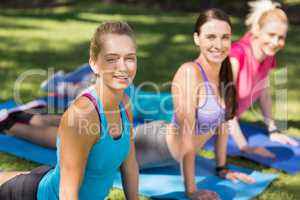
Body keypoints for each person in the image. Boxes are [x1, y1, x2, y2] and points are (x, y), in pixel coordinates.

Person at [0, 21, 139, 200]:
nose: (123, 67)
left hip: (51, 178)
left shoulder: (124, 105)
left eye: (129, 58)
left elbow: (130, 165)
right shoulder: (83, 115)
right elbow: (67, 195)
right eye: (112, 59)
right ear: (94, 63)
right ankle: (10, 123)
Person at [135, 8, 255, 200]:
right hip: (149, 145)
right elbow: (186, 137)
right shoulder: (190, 72)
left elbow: (222, 127)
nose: (218, 44)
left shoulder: (225, 75)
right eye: (211, 37)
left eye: (225, 37)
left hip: (166, 152)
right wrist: (191, 191)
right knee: (94, 157)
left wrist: (222, 168)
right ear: (197, 39)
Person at [229, 0, 299, 158]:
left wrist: (273, 130)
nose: (275, 42)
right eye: (271, 35)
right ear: (257, 30)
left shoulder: (268, 56)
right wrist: (244, 146)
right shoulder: (236, 56)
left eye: (281, 37)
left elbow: (264, 94)